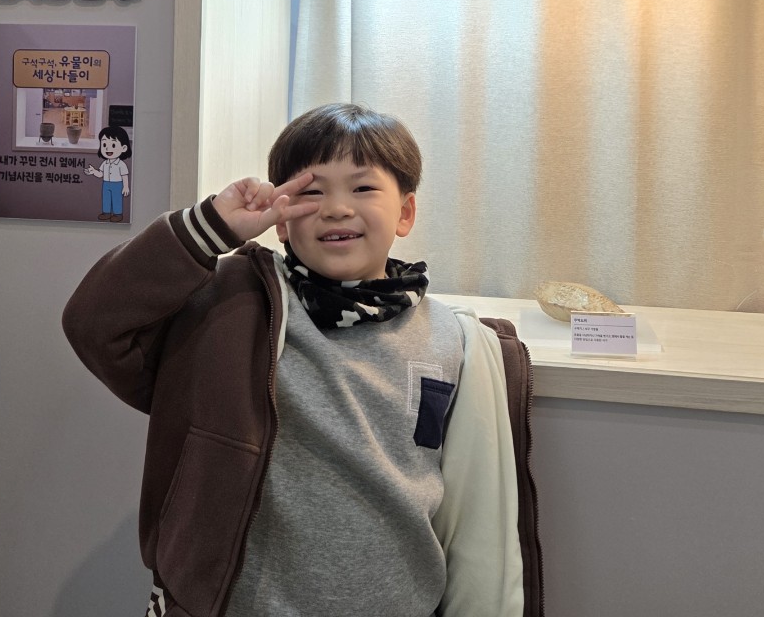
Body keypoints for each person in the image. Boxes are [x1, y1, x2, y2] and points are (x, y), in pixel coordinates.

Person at [62, 103, 543, 617]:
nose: (336, 208)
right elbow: (94, 323)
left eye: (363, 187)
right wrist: (211, 227)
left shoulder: (452, 338)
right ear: (283, 219)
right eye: (312, 192)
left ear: (405, 212)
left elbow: (462, 506)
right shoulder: (229, 304)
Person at [84, 125, 131, 222]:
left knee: (116, 199)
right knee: (106, 198)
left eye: (113, 145)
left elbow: (124, 176)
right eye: (104, 145)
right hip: (106, 184)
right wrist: (93, 171)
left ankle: (118, 214)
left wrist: (126, 187)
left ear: (123, 148)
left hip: (117, 184)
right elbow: (100, 174)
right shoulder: (105, 163)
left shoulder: (121, 164)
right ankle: (106, 212)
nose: (107, 148)